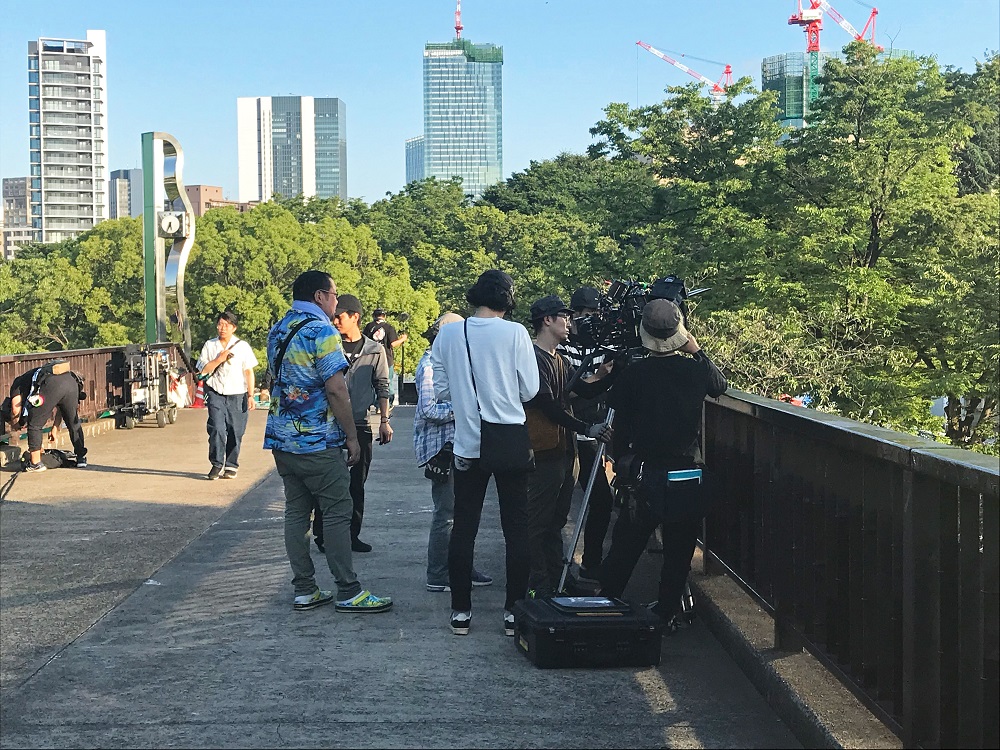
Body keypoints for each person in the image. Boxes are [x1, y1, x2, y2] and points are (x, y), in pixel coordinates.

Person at [264, 270, 392, 613]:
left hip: (283, 438)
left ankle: (305, 589)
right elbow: (336, 388)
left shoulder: (279, 328)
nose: (336, 303)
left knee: (296, 512)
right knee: (337, 511)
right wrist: (351, 436)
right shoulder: (322, 331)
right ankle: (348, 590)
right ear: (320, 296)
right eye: (334, 295)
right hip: (318, 440)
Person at [598, 299, 727, 629]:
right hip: (685, 473)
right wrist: (696, 349)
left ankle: (606, 601)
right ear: (678, 332)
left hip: (644, 472)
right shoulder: (695, 371)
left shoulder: (634, 373)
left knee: (627, 543)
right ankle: (665, 612)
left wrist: (621, 459)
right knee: (679, 550)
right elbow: (719, 385)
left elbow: (619, 421)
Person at [431, 269, 539, 636]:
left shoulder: (449, 333)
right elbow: (529, 390)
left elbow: (441, 389)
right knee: (516, 529)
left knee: (464, 528)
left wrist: (466, 396)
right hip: (509, 443)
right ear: (507, 299)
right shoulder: (516, 333)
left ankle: (461, 612)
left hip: (468, 445)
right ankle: (512, 612)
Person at [524, 294, 616, 599]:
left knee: (556, 521)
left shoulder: (559, 360)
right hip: (544, 450)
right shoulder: (534, 359)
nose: (569, 322)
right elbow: (549, 406)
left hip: (564, 449)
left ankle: (558, 578)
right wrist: (586, 428)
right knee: (538, 521)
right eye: (564, 317)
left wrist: (616, 371)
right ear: (547, 320)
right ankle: (539, 584)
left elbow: (582, 391)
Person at [414, 312, 492, 593]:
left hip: (459, 447)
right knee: (446, 513)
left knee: (463, 513)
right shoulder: (429, 366)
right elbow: (428, 410)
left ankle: (462, 567)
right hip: (442, 450)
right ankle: (437, 574)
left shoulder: (450, 364)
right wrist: (465, 407)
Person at [312, 293, 391, 554]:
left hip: (360, 423)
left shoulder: (374, 350)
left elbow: (382, 386)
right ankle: (323, 534)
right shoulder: (328, 345)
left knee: (357, 483)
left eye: (340, 317)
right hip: (329, 424)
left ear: (355, 317)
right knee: (327, 483)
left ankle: (352, 535)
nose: (335, 321)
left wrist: (384, 421)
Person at [558, 286, 616, 582]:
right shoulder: (562, 348)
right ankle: (555, 568)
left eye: (596, 314)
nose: (592, 320)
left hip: (597, 433)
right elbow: (565, 393)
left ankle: (591, 562)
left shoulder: (605, 345)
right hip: (571, 433)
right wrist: (599, 377)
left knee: (603, 501)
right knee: (560, 504)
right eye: (587, 314)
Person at [196, 311, 258, 480]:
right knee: (216, 428)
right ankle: (216, 463)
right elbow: (203, 370)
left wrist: (251, 395)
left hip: (238, 393)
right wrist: (219, 359)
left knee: (236, 431)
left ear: (233, 328)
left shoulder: (242, 346)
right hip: (215, 392)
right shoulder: (210, 345)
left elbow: (249, 372)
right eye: (220, 324)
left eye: (227, 325)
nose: (222, 328)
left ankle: (231, 465)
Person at [2, 365, 88, 472]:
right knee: (73, 423)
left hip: (52, 384)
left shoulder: (18, 383)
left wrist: (15, 425)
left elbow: (15, 409)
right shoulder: (60, 375)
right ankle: (81, 458)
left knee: (35, 424)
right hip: (71, 383)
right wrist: (55, 428)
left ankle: (35, 463)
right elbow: (62, 408)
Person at [363, 308, 408, 406]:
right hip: (387, 359)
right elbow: (393, 344)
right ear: (384, 316)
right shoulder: (389, 327)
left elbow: (364, 342)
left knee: (373, 382)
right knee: (387, 382)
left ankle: (376, 404)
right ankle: (388, 404)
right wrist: (403, 339)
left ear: (373, 316)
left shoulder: (369, 327)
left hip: (371, 359)